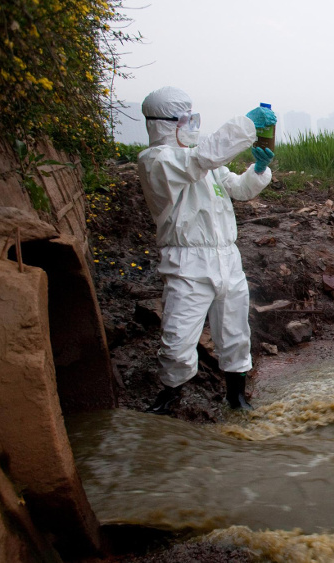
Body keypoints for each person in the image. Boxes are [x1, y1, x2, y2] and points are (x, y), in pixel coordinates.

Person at [136, 86, 276, 414]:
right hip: (187, 261)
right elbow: (199, 159)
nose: (191, 124)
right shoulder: (156, 161)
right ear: (164, 123)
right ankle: (170, 396)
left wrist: (257, 172)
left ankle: (236, 397)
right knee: (178, 335)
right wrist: (245, 125)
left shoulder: (202, 160)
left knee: (235, 330)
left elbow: (238, 190)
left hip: (227, 257)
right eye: (184, 119)